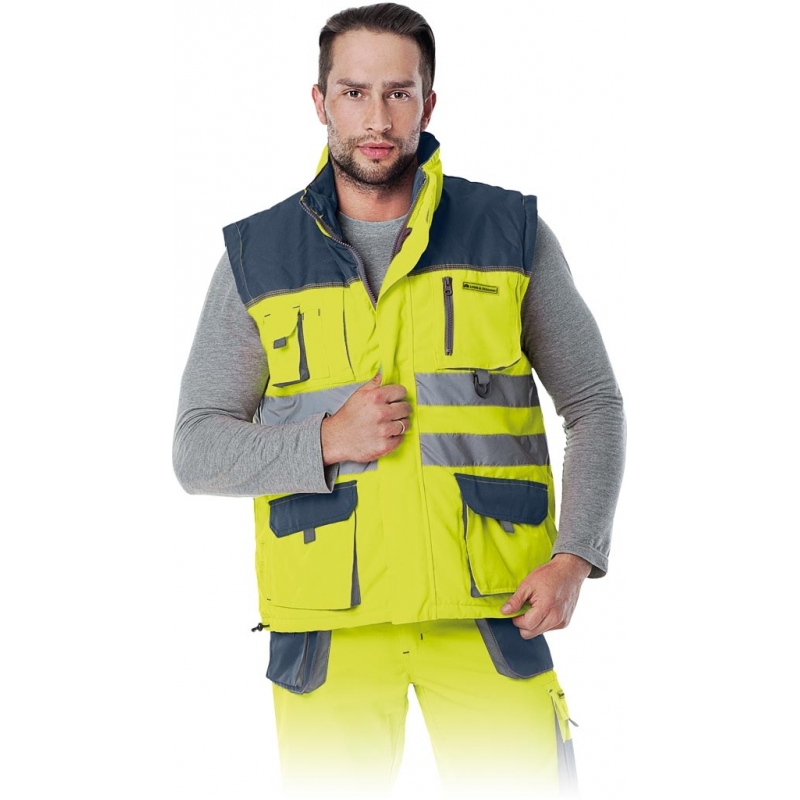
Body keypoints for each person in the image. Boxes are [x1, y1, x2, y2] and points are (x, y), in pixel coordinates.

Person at [173, 3, 625, 798]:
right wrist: (324, 440)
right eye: (354, 93)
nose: (377, 120)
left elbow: (594, 403)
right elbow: (196, 449)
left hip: (491, 610)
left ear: (428, 102)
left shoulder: (509, 234)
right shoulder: (258, 255)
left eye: (398, 93)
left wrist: (575, 555)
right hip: (328, 627)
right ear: (320, 101)